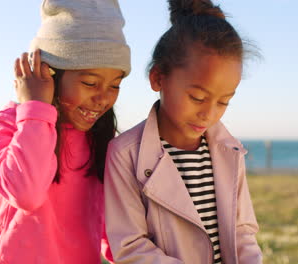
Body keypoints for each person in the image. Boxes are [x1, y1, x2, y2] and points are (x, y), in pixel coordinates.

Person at [104, 0, 262, 263]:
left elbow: (243, 231)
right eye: (198, 97)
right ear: (158, 78)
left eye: (223, 101)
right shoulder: (124, 154)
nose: (209, 113)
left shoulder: (230, 151)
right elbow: (130, 247)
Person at [0, 0, 130, 263]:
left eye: (115, 85)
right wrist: (35, 108)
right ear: (48, 73)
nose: (103, 98)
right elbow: (26, 193)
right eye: (90, 82)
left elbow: (114, 234)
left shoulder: (102, 140)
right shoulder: (4, 125)